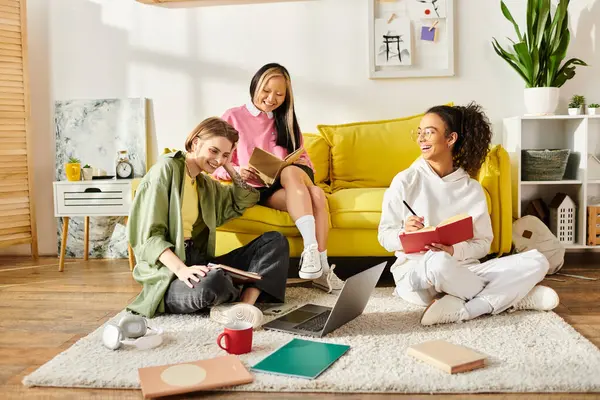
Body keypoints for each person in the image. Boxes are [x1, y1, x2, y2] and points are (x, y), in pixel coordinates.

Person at [377, 102, 559, 326]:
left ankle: (468, 309)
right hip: (419, 275)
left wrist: (454, 250)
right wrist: (404, 233)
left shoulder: (472, 189)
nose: (421, 139)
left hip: (466, 270)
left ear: (450, 139)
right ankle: (514, 296)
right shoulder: (405, 181)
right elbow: (384, 236)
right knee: (439, 262)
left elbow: (483, 244)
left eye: (429, 132)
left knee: (538, 261)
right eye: (419, 132)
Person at [126, 117, 289, 328]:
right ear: (195, 143)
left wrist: (232, 169)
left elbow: (245, 199)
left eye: (225, 155)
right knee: (213, 283)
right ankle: (234, 289)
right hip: (170, 272)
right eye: (214, 151)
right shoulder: (166, 170)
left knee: (274, 241)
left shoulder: (205, 184)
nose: (218, 160)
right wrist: (182, 270)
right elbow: (148, 238)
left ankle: (243, 306)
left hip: (200, 261)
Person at [213, 62, 343, 293]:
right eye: (266, 91)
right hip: (258, 188)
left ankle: (316, 262)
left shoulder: (287, 120)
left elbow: (306, 160)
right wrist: (236, 171)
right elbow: (215, 163)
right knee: (316, 195)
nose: (272, 98)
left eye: (279, 94)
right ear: (255, 86)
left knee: (307, 184)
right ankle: (316, 259)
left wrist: (301, 163)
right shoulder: (233, 117)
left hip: (289, 181)